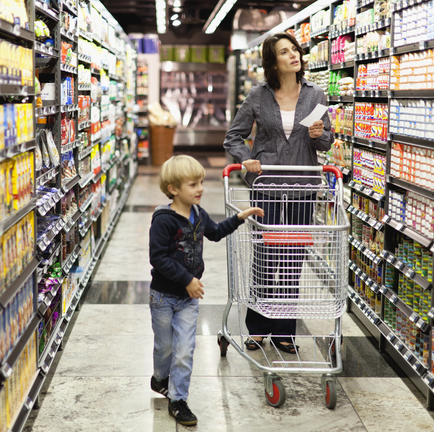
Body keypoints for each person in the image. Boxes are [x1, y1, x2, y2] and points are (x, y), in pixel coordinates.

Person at [223, 32, 334, 354]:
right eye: (284, 52)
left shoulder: (316, 95)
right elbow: (233, 137)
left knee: (292, 260)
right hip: (267, 186)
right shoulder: (258, 96)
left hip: (302, 186)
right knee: (264, 256)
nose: (293, 55)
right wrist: (246, 160)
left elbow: (325, 142)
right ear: (273, 62)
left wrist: (319, 134)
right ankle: (257, 328)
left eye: (295, 49)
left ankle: (284, 330)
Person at [148, 155, 264, 426]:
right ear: (173, 189)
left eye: (200, 182)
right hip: (163, 297)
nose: (200, 188)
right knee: (165, 347)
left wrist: (240, 217)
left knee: (185, 349)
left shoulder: (199, 215)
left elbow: (216, 232)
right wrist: (187, 278)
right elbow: (158, 259)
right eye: (192, 184)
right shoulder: (163, 220)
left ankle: (178, 400)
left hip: (188, 300)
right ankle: (159, 378)